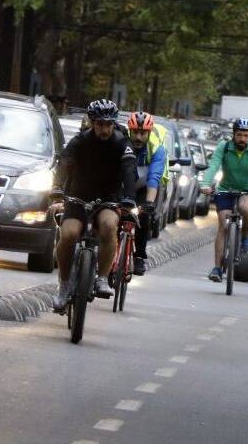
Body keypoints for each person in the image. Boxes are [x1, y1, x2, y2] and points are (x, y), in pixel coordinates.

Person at [49, 99, 137, 311]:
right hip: (79, 195)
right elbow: (65, 163)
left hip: (109, 197)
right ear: (91, 122)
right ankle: (64, 284)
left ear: (114, 123)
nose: (104, 129)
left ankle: (102, 278)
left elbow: (129, 170)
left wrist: (129, 197)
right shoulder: (80, 141)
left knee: (108, 225)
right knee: (69, 234)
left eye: (108, 124)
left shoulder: (122, 143)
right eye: (99, 124)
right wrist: (57, 187)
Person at [199, 117, 248, 283]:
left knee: (245, 208)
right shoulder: (224, 146)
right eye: (239, 135)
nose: (242, 139)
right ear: (234, 134)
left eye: (246, 136)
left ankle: (245, 238)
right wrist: (205, 184)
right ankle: (217, 268)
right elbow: (214, 166)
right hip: (226, 189)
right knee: (223, 225)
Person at [127, 111, 169, 275]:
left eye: (143, 133)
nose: (138, 137)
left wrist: (149, 203)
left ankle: (139, 256)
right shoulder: (122, 142)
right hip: (124, 183)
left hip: (145, 186)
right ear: (129, 131)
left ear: (149, 133)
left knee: (143, 217)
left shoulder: (157, 148)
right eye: (135, 133)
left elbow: (154, 177)